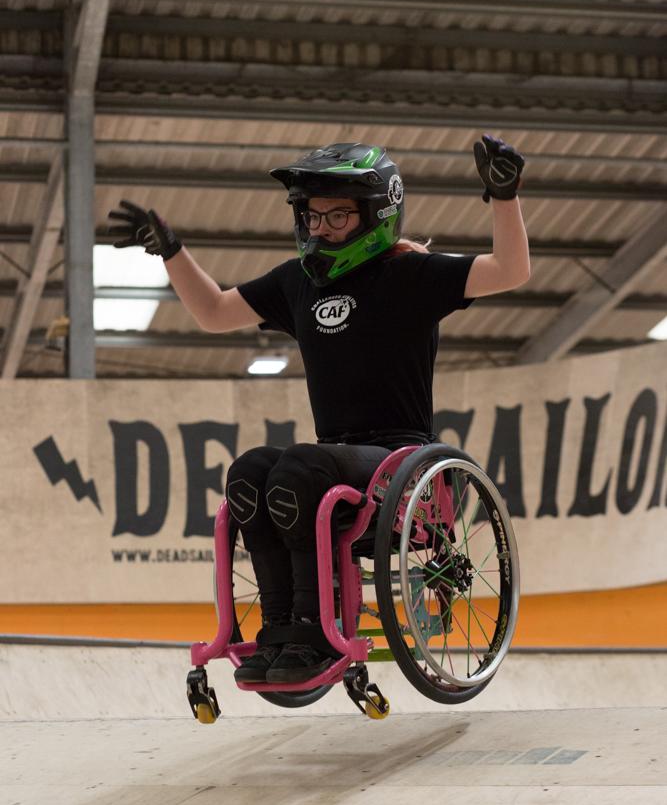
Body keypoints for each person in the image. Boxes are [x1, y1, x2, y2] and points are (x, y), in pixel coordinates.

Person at [108, 134, 530, 685]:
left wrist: (504, 197)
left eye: (337, 216)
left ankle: (315, 629)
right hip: (333, 459)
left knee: (303, 467)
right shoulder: (296, 283)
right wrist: (172, 251)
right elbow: (212, 311)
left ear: (377, 215)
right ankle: (280, 628)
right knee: (251, 471)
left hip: (399, 460)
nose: (319, 228)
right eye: (311, 215)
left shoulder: (411, 276)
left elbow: (510, 271)